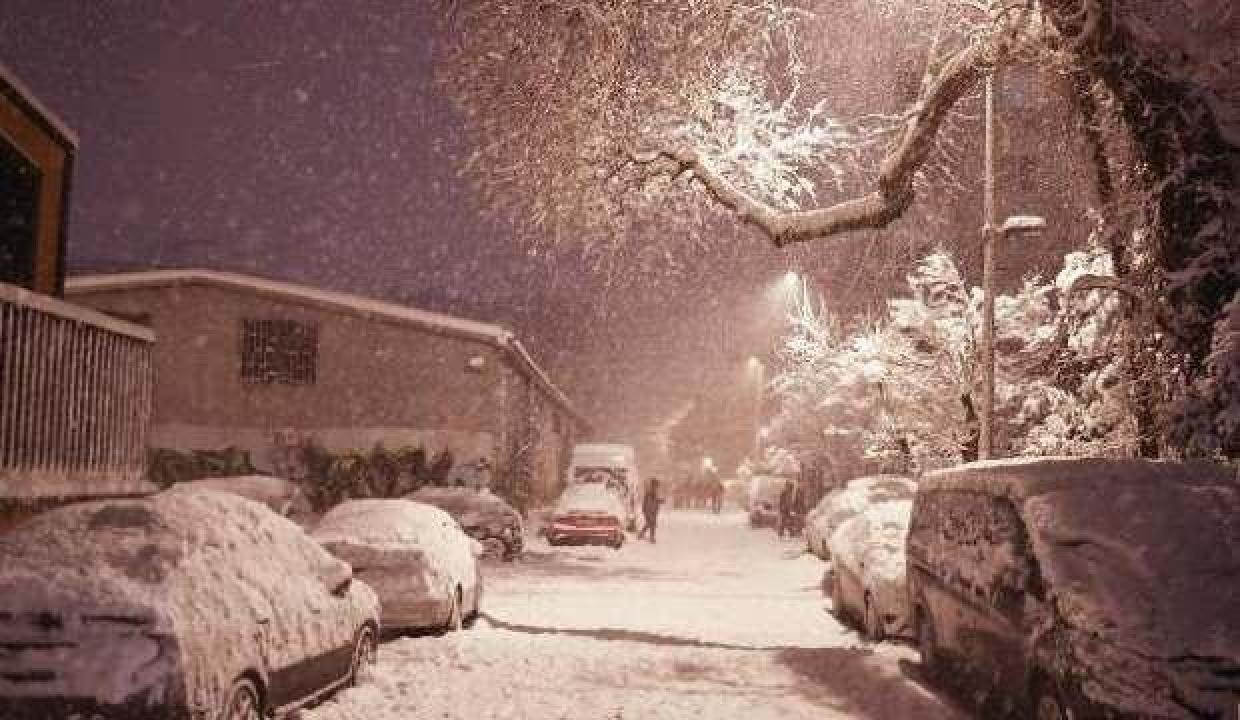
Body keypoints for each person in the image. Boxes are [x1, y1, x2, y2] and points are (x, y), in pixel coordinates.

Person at [637, 477, 664, 543]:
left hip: (653, 511)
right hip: (649, 511)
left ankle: (642, 534)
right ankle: (650, 537)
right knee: (651, 524)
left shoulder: (653, 492)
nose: (657, 487)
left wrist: (660, 501)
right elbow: (649, 502)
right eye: (656, 485)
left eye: (657, 485)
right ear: (653, 485)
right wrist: (647, 511)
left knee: (650, 524)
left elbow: (654, 501)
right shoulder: (650, 492)